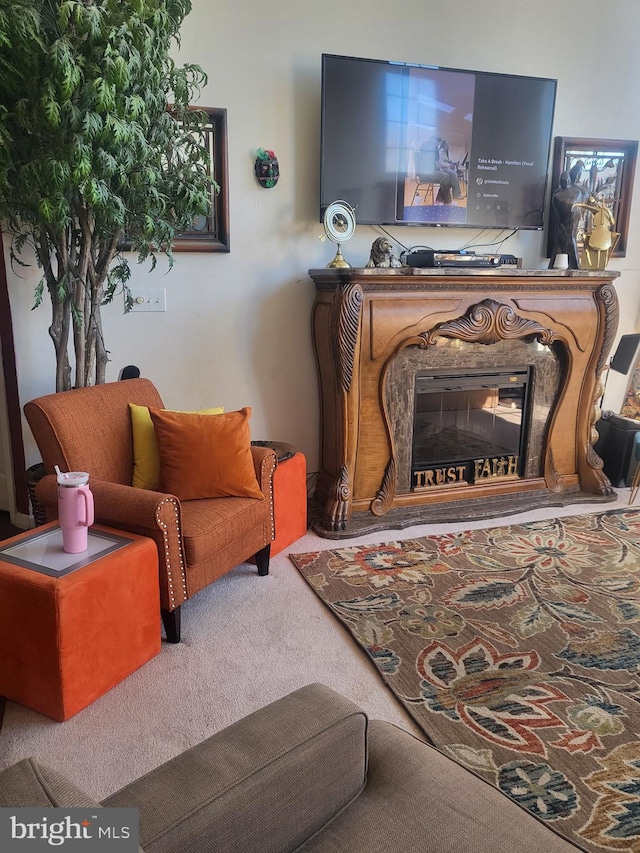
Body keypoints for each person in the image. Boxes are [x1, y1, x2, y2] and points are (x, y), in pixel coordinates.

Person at [548, 168, 589, 269]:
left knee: (571, 242)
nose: (564, 183)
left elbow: (574, 206)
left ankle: (576, 268)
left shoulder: (579, 192)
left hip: (571, 224)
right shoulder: (558, 194)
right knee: (558, 245)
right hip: (561, 224)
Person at [415, 136, 462, 204]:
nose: (438, 145)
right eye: (438, 144)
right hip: (426, 175)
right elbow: (438, 163)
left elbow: (434, 163)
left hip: (424, 174)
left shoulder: (425, 146)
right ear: (436, 142)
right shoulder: (432, 147)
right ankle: (447, 202)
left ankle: (440, 200)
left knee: (446, 176)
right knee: (445, 176)